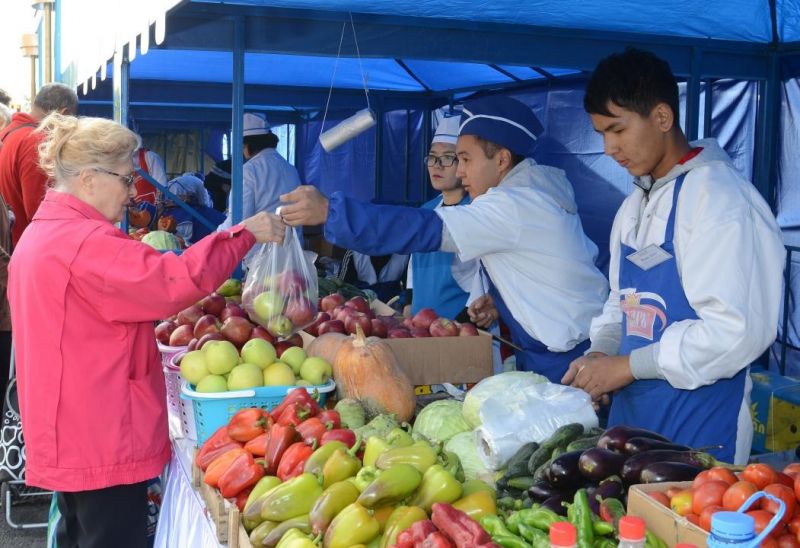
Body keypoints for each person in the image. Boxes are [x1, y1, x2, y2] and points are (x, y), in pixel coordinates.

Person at [7, 113, 285, 547]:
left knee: (77, 534)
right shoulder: (86, 244)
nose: (134, 190)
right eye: (124, 177)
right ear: (88, 180)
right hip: (101, 429)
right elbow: (171, 281)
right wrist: (240, 235)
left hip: (71, 426)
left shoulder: (43, 233)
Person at [280, 96, 609, 383]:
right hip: (569, 344)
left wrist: (332, 212)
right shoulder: (537, 188)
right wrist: (505, 300)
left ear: (503, 159)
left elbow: (423, 228)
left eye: (465, 159)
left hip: (571, 358)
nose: (460, 171)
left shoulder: (512, 204)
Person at [562, 48, 784, 464]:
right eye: (601, 134)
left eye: (617, 130)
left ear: (662, 118)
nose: (609, 148)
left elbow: (736, 332)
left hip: (700, 425)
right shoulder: (635, 203)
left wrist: (628, 366)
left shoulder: (720, 201)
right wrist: (600, 355)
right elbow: (619, 299)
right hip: (632, 422)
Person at [404, 112, 478, 320]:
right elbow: (414, 265)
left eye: (447, 158)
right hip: (421, 325)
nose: (437, 165)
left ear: (464, 162)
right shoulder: (426, 210)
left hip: (462, 328)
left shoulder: (477, 212)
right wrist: (409, 301)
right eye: (433, 157)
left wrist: (461, 325)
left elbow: (486, 281)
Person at [0, 83, 78, 246]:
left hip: (12, 244)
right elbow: (39, 211)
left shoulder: (9, 133)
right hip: (24, 246)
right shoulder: (37, 142)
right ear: (64, 113)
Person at [159, 173, 225, 245]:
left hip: (169, 197)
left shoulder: (182, 180)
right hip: (184, 216)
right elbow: (204, 202)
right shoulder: (199, 183)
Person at [339, 249, 409, 304]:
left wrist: (401, 302)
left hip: (392, 311)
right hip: (357, 310)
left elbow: (410, 290)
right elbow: (340, 287)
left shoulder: (405, 254)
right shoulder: (354, 252)